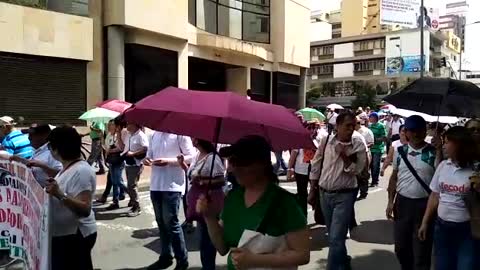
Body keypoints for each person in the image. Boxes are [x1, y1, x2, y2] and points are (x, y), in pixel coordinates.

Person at [197, 136, 310, 270]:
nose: (232, 168)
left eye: (239, 162)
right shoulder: (233, 197)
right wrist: (209, 217)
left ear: (261, 164)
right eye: (231, 162)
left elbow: (302, 254)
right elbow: (222, 248)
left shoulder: (285, 202)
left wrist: (256, 260)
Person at [309, 111, 367, 269]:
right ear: (338, 126)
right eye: (347, 126)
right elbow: (316, 163)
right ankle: (343, 260)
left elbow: (358, 170)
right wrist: (312, 190)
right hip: (324, 193)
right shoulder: (326, 140)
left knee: (335, 237)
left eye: (353, 125)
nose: (351, 129)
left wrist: (344, 156)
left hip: (345, 195)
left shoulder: (358, 142)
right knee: (334, 237)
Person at [418, 126, 479, 270]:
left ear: (458, 144)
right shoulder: (443, 166)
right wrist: (425, 222)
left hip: (467, 231)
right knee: (442, 266)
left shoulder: (476, 169)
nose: (443, 145)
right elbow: (434, 195)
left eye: (446, 142)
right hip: (442, 228)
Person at [386, 115, 436, 270]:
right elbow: (394, 178)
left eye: (419, 130)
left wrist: (440, 150)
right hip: (402, 204)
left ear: (425, 131)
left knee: (422, 250)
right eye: (412, 130)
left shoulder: (433, 153)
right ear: (405, 132)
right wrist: (390, 202)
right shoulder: (400, 152)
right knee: (401, 248)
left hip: (425, 206)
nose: (416, 134)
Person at [45, 126, 97, 270]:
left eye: (49, 146)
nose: (49, 150)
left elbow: (85, 209)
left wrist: (59, 194)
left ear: (56, 149)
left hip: (75, 236)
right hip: (65, 234)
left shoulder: (82, 171)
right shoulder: (67, 167)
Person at [144, 132, 195, 270]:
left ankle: (182, 259)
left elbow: (191, 157)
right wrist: (147, 160)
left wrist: (170, 161)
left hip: (173, 185)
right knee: (161, 222)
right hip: (156, 185)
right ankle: (166, 256)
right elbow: (149, 155)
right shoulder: (154, 135)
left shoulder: (180, 135)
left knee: (171, 222)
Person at [182, 138, 225, 270]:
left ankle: (208, 267)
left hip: (210, 202)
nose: (192, 140)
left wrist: (202, 181)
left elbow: (221, 179)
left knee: (208, 240)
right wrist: (183, 165)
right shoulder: (197, 156)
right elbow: (191, 175)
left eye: (194, 138)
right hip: (198, 202)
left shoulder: (213, 158)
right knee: (203, 240)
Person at [287, 120, 320, 216]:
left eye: (313, 128)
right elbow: (293, 156)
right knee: (302, 193)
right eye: (309, 128)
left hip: (314, 170)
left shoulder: (316, 141)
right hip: (301, 170)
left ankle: (317, 210)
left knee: (316, 192)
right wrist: (290, 169)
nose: (312, 130)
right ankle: (303, 216)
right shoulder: (299, 141)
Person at [99, 120, 127, 209]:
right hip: (111, 160)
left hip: (118, 160)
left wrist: (111, 150)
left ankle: (131, 193)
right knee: (114, 181)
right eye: (109, 125)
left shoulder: (120, 134)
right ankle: (116, 201)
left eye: (111, 125)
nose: (109, 127)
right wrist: (102, 141)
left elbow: (121, 148)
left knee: (117, 181)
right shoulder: (109, 135)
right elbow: (106, 146)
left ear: (116, 126)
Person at [122, 123, 148, 217]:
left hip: (136, 164)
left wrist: (133, 153)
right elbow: (124, 147)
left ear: (135, 125)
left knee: (132, 185)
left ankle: (137, 207)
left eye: (129, 124)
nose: (127, 126)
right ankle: (133, 203)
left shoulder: (141, 135)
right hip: (128, 163)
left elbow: (145, 148)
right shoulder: (129, 135)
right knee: (130, 186)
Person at [355, 117, 374, 200]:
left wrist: (363, 146)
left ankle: (363, 192)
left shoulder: (366, 131)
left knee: (363, 174)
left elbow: (372, 143)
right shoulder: (351, 132)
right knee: (356, 175)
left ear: (358, 123)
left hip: (364, 155)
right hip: (354, 156)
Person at [368, 112, 387, 187]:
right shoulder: (370, 126)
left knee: (375, 165)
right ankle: (371, 179)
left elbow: (384, 137)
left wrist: (375, 140)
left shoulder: (381, 126)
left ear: (375, 118)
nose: (370, 118)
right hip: (371, 148)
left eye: (371, 117)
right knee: (370, 165)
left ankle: (375, 181)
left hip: (378, 148)